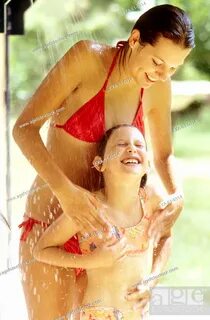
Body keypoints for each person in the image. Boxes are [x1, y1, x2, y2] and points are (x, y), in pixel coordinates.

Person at [13, 4, 194, 319]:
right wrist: (67, 194)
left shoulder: (157, 85)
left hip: (104, 242)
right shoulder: (86, 59)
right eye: (157, 62)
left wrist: (177, 193)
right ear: (135, 39)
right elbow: (24, 129)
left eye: (173, 69)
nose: (163, 75)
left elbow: (164, 154)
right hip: (50, 228)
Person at [33, 125, 173, 320]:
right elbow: (41, 250)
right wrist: (91, 261)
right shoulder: (89, 208)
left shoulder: (152, 201)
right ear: (100, 164)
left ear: (147, 164)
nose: (132, 148)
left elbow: (166, 234)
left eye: (139, 144)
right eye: (121, 144)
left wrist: (153, 279)